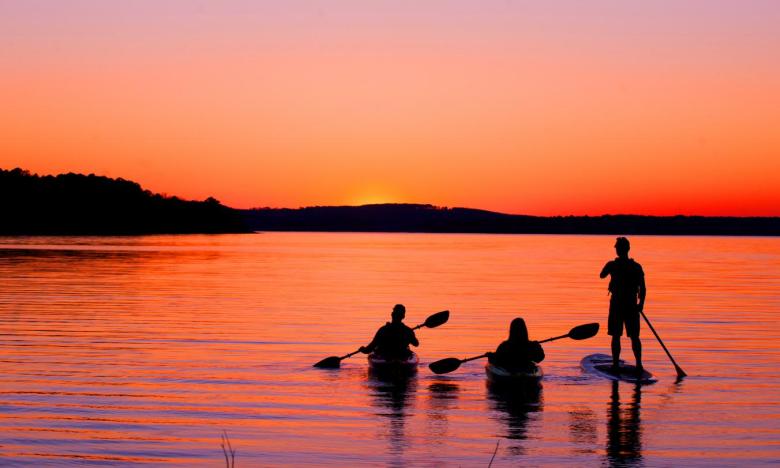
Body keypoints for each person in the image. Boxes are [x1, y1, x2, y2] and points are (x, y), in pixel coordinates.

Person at [600, 236, 646, 373]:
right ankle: (638, 364)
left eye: (617, 248)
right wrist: (641, 304)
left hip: (618, 305)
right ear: (628, 249)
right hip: (631, 305)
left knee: (617, 335)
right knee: (633, 336)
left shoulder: (613, 265)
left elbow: (601, 275)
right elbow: (643, 288)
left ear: (619, 250)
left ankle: (616, 365)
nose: (617, 250)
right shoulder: (636, 267)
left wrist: (640, 304)